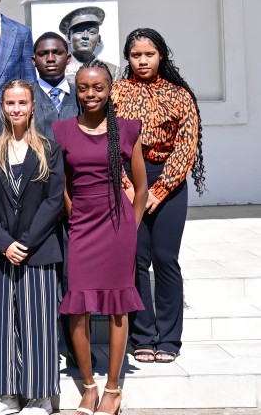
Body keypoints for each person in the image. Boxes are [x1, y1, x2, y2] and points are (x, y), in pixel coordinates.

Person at [52, 60, 148, 415]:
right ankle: (89, 386)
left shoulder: (125, 130)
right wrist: (71, 212)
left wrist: (131, 228)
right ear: (75, 90)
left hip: (117, 226)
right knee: (78, 306)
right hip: (82, 227)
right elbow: (62, 184)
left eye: (98, 88)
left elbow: (140, 187)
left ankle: (112, 388)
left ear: (109, 90)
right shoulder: (61, 130)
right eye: (83, 88)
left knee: (117, 307)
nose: (90, 94)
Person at [111, 28, 205, 365]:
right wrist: (128, 186)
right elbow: (109, 142)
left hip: (169, 180)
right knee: (136, 261)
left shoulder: (180, 95)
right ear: (128, 58)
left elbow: (186, 145)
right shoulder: (117, 94)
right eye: (136, 55)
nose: (143, 60)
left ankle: (169, 337)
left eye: (149, 54)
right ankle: (143, 336)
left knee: (165, 259)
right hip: (128, 180)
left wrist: (160, 189)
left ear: (160, 55)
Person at [0, 80, 64, 415]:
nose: (16, 109)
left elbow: (53, 202)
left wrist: (24, 243)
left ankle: (39, 396)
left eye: (22, 103)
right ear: (2, 106)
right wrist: (2, 241)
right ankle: (5, 395)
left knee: (37, 322)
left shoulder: (49, 149)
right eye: (10, 103)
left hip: (38, 250)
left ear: (32, 107)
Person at [30, 31, 89, 369]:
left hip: (78, 201)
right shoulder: (25, 99)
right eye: (43, 53)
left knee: (74, 276)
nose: (50, 58)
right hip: (37, 203)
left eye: (56, 52)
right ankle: (46, 347)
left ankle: (74, 347)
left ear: (68, 57)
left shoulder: (84, 97)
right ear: (34, 59)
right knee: (45, 277)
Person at [58, 7, 119, 83]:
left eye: (92, 32)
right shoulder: (58, 69)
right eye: (79, 32)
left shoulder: (113, 71)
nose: (85, 36)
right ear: (68, 38)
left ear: (98, 40)